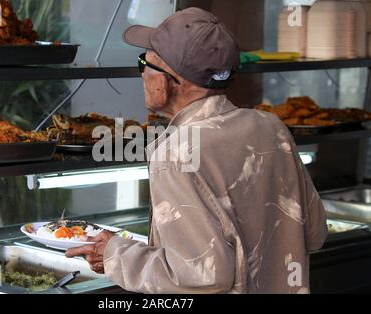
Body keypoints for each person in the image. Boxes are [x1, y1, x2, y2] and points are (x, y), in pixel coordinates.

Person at [66, 7, 327, 294]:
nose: (141, 74)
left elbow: (202, 277)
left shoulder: (176, 153)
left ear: (168, 81)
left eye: (145, 63)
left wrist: (115, 255)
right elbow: (314, 233)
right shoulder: (271, 127)